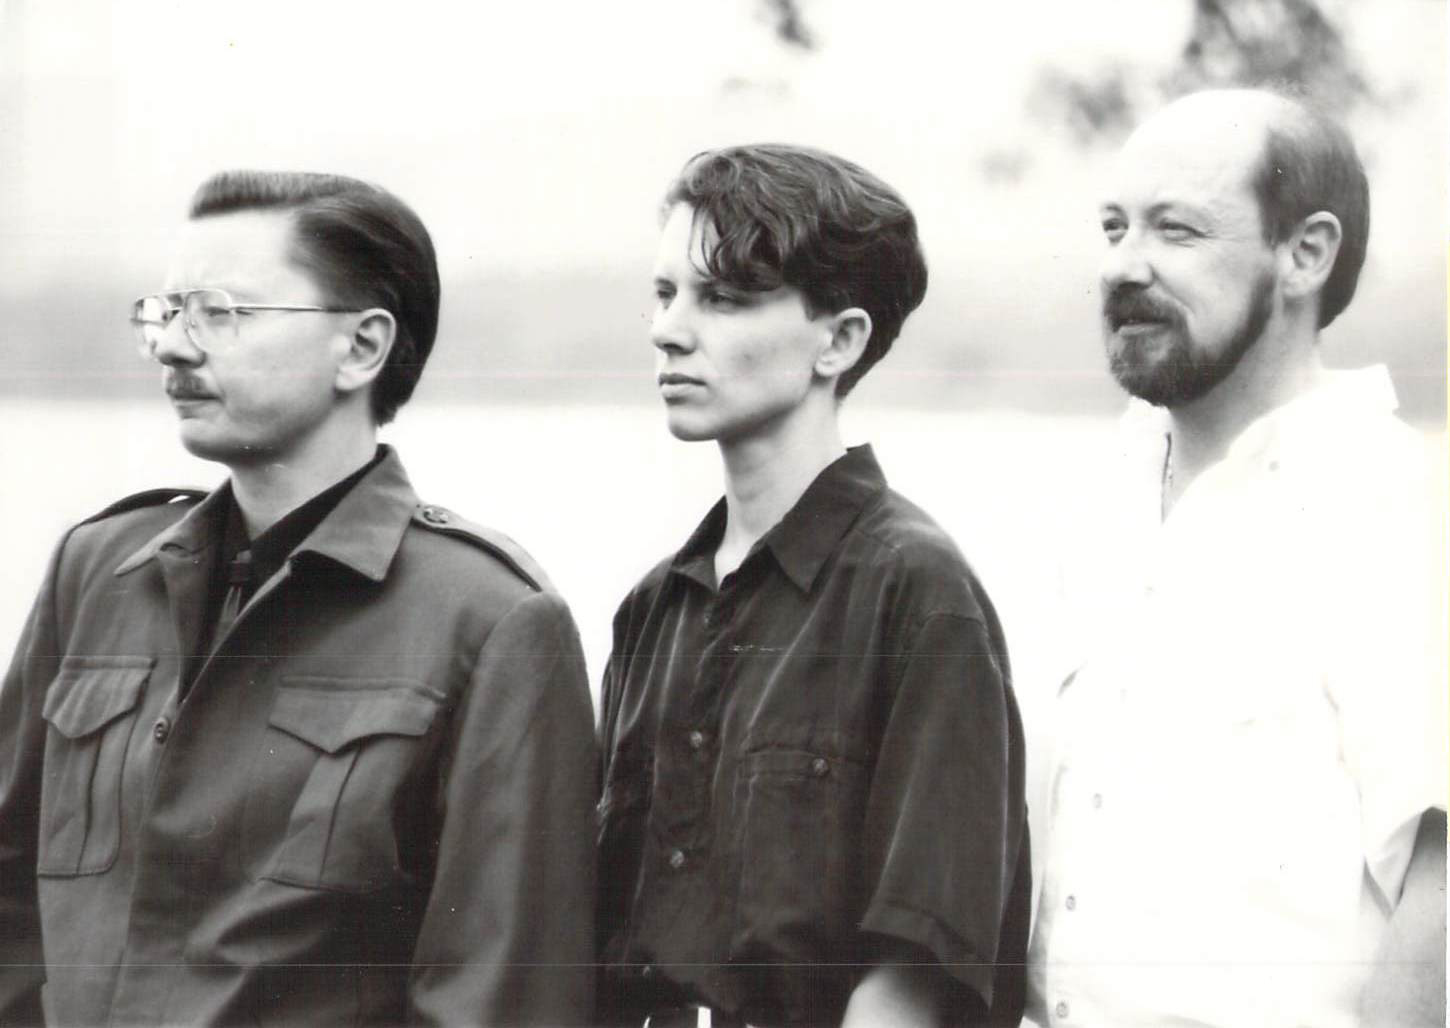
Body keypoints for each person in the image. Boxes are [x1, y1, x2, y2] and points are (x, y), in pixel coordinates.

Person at [0, 171, 597, 1025]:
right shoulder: (98, 572)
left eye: (220, 313)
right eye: (167, 312)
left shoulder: (489, 620)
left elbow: (502, 997)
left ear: (362, 347)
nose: (174, 347)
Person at [1026, 88, 1448, 1027]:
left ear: (1306, 254)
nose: (1121, 266)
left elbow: (1442, 894)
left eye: (1176, 230)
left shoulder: (1389, 500)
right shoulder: (1102, 490)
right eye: (1113, 228)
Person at [595, 144, 1031, 1028]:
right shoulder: (654, 608)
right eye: (665, 292)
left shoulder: (919, 594)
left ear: (840, 340)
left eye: (723, 297)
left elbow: (918, 974)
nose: (669, 329)